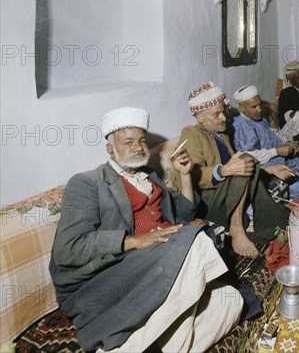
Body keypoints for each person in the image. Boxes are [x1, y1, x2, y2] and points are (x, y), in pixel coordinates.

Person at [49, 107, 244, 353]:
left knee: (232, 301)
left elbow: (184, 215)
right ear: (111, 149)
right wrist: (133, 241)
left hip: (165, 260)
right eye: (128, 142)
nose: (139, 147)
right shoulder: (87, 182)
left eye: (141, 140)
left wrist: (185, 176)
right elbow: (68, 249)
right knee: (197, 241)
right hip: (113, 275)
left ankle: (139, 345)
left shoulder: (150, 176)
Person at [175, 82, 290, 258]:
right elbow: (193, 175)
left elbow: (238, 167)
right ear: (200, 117)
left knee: (246, 160)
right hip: (208, 201)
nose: (224, 118)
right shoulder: (191, 133)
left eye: (223, 112)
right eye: (217, 114)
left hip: (226, 192)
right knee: (243, 160)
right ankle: (236, 229)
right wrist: (223, 171)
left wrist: (269, 170)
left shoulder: (221, 134)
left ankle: (262, 223)